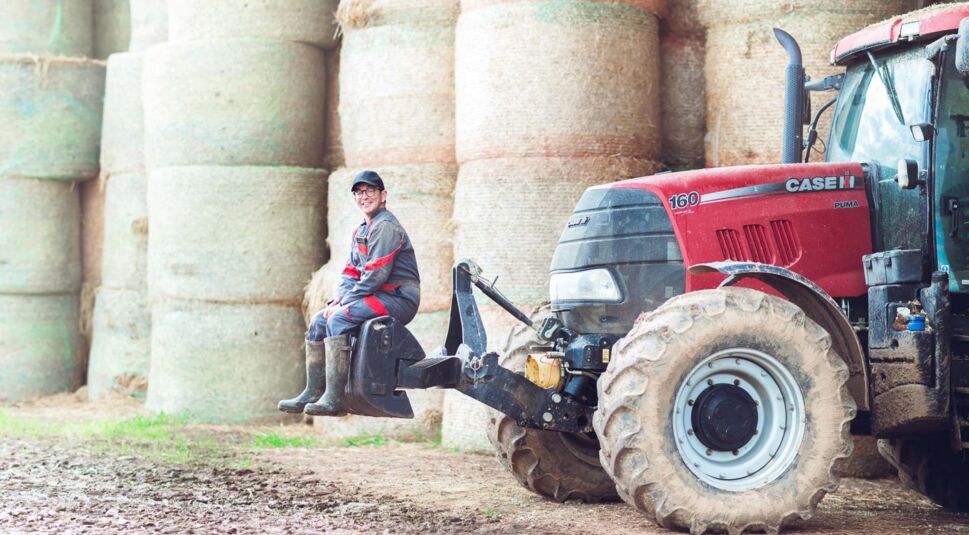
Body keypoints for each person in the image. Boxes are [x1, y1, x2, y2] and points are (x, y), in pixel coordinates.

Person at [278, 170, 421, 416]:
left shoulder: (386, 227)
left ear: (383, 195)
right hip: (376, 296)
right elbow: (350, 273)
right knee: (319, 321)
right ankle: (313, 391)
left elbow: (376, 275)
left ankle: (335, 398)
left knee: (339, 318)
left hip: (398, 299)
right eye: (359, 192)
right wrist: (337, 300)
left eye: (370, 191)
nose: (364, 196)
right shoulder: (362, 230)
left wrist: (343, 304)